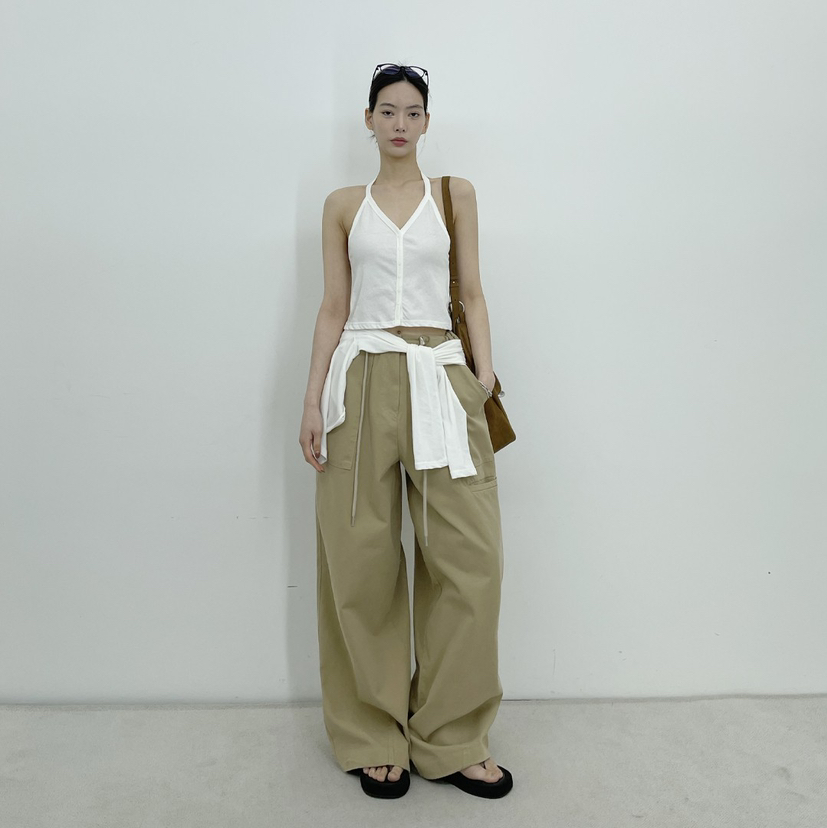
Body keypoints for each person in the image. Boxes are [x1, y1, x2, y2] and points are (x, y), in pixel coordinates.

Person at [299, 63, 513, 800]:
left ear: (426, 121)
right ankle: (372, 735)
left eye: (412, 111)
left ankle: (452, 738)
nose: (399, 123)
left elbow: (473, 292)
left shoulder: (455, 195)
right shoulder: (342, 205)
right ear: (368, 119)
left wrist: (482, 378)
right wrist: (311, 401)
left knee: (471, 560)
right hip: (359, 379)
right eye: (387, 110)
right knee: (359, 561)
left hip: (440, 377)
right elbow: (333, 307)